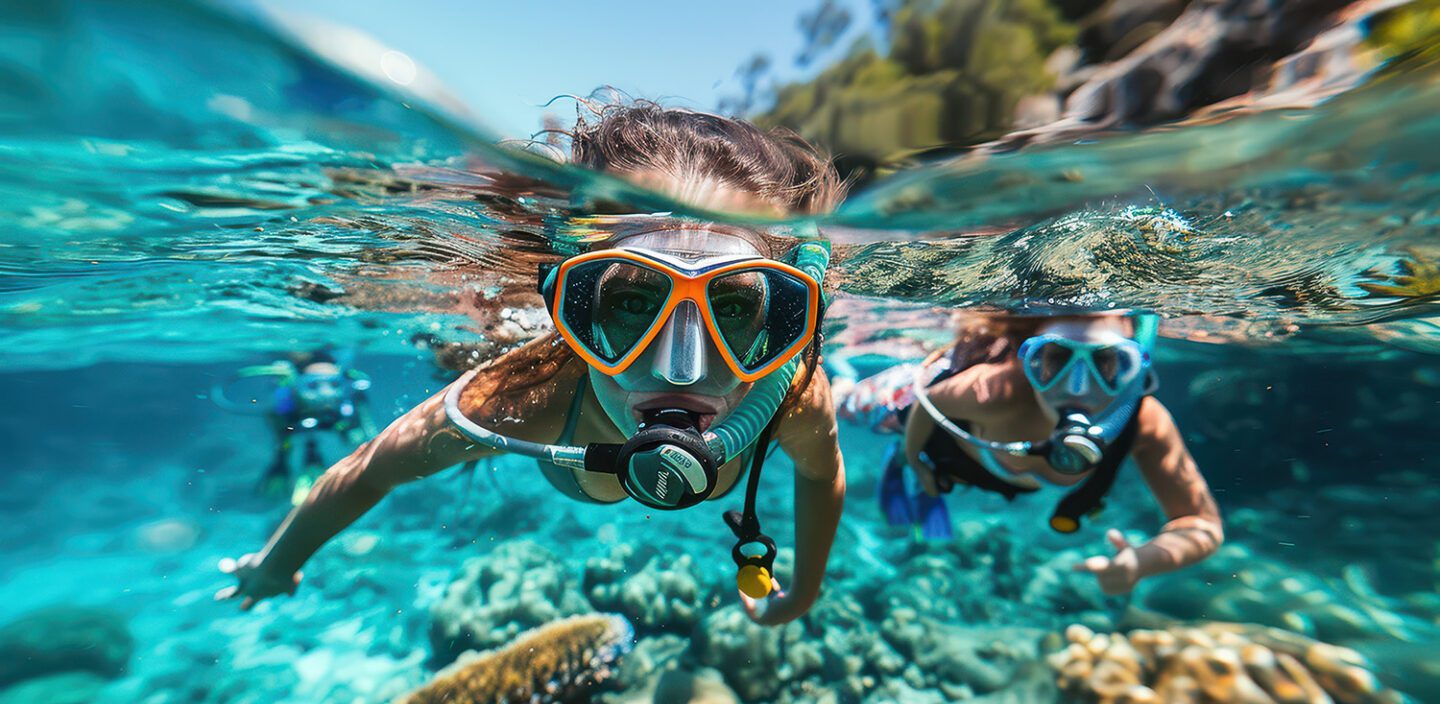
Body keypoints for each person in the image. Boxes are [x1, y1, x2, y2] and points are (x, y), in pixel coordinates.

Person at [217, 103, 848, 625]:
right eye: (632, 300)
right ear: (574, 309)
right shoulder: (525, 401)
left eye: (735, 307)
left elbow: (823, 477)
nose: (680, 370)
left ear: (785, 317)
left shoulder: (788, 389)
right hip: (547, 395)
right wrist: (276, 563)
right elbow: (368, 471)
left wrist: (803, 593)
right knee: (475, 344)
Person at [839, 312, 1222, 595]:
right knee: (848, 406)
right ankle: (840, 378)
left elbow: (1201, 525)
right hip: (930, 422)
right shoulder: (995, 389)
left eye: (1106, 363)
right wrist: (915, 457)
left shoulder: (1144, 422)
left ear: (1134, 370)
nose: (1077, 386)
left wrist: (1141, 562)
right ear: (1028, 363)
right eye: (1054, 360)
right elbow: (927, 406)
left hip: (978, 458)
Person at [212, 350, 376, 505]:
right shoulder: (286, 404)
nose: (326, 394)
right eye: (313, 386)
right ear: (298, 386)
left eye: (333, 384)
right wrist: (280, 463)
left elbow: (365, 435)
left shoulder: (348, 405)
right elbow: (282, 437)